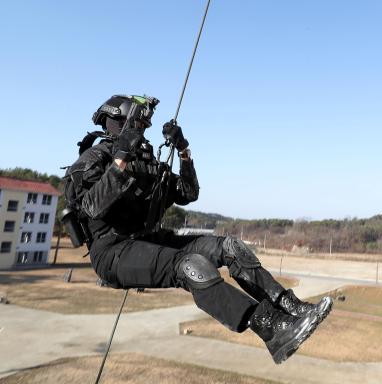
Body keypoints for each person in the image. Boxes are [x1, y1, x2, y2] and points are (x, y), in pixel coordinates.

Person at [63, 94, 332, 364]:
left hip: (151, 240)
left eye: (144, 127)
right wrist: (121, 156)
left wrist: (183, 151)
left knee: (229, 247)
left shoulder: (144, 161)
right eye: (138, 125)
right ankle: (273, 329)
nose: (143, 131)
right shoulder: (93, 158)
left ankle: (291, 307)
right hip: (113, 251)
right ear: (118, 122)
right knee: (192, 266)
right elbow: (92, 207)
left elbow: (188, 193)